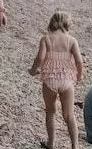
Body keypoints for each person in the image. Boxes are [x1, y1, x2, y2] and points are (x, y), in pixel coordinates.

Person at [29, 11, 85, 149]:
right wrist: (79, 75)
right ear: (68, 23)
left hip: (49, 80)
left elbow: (40, 58)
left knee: (50, 112)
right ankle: (75, 145)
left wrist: (33, 70)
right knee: (69, 115)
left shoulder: (46, 39)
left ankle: (51, 143)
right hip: (66, 80)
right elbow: (79, 60)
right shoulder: (72, 40)